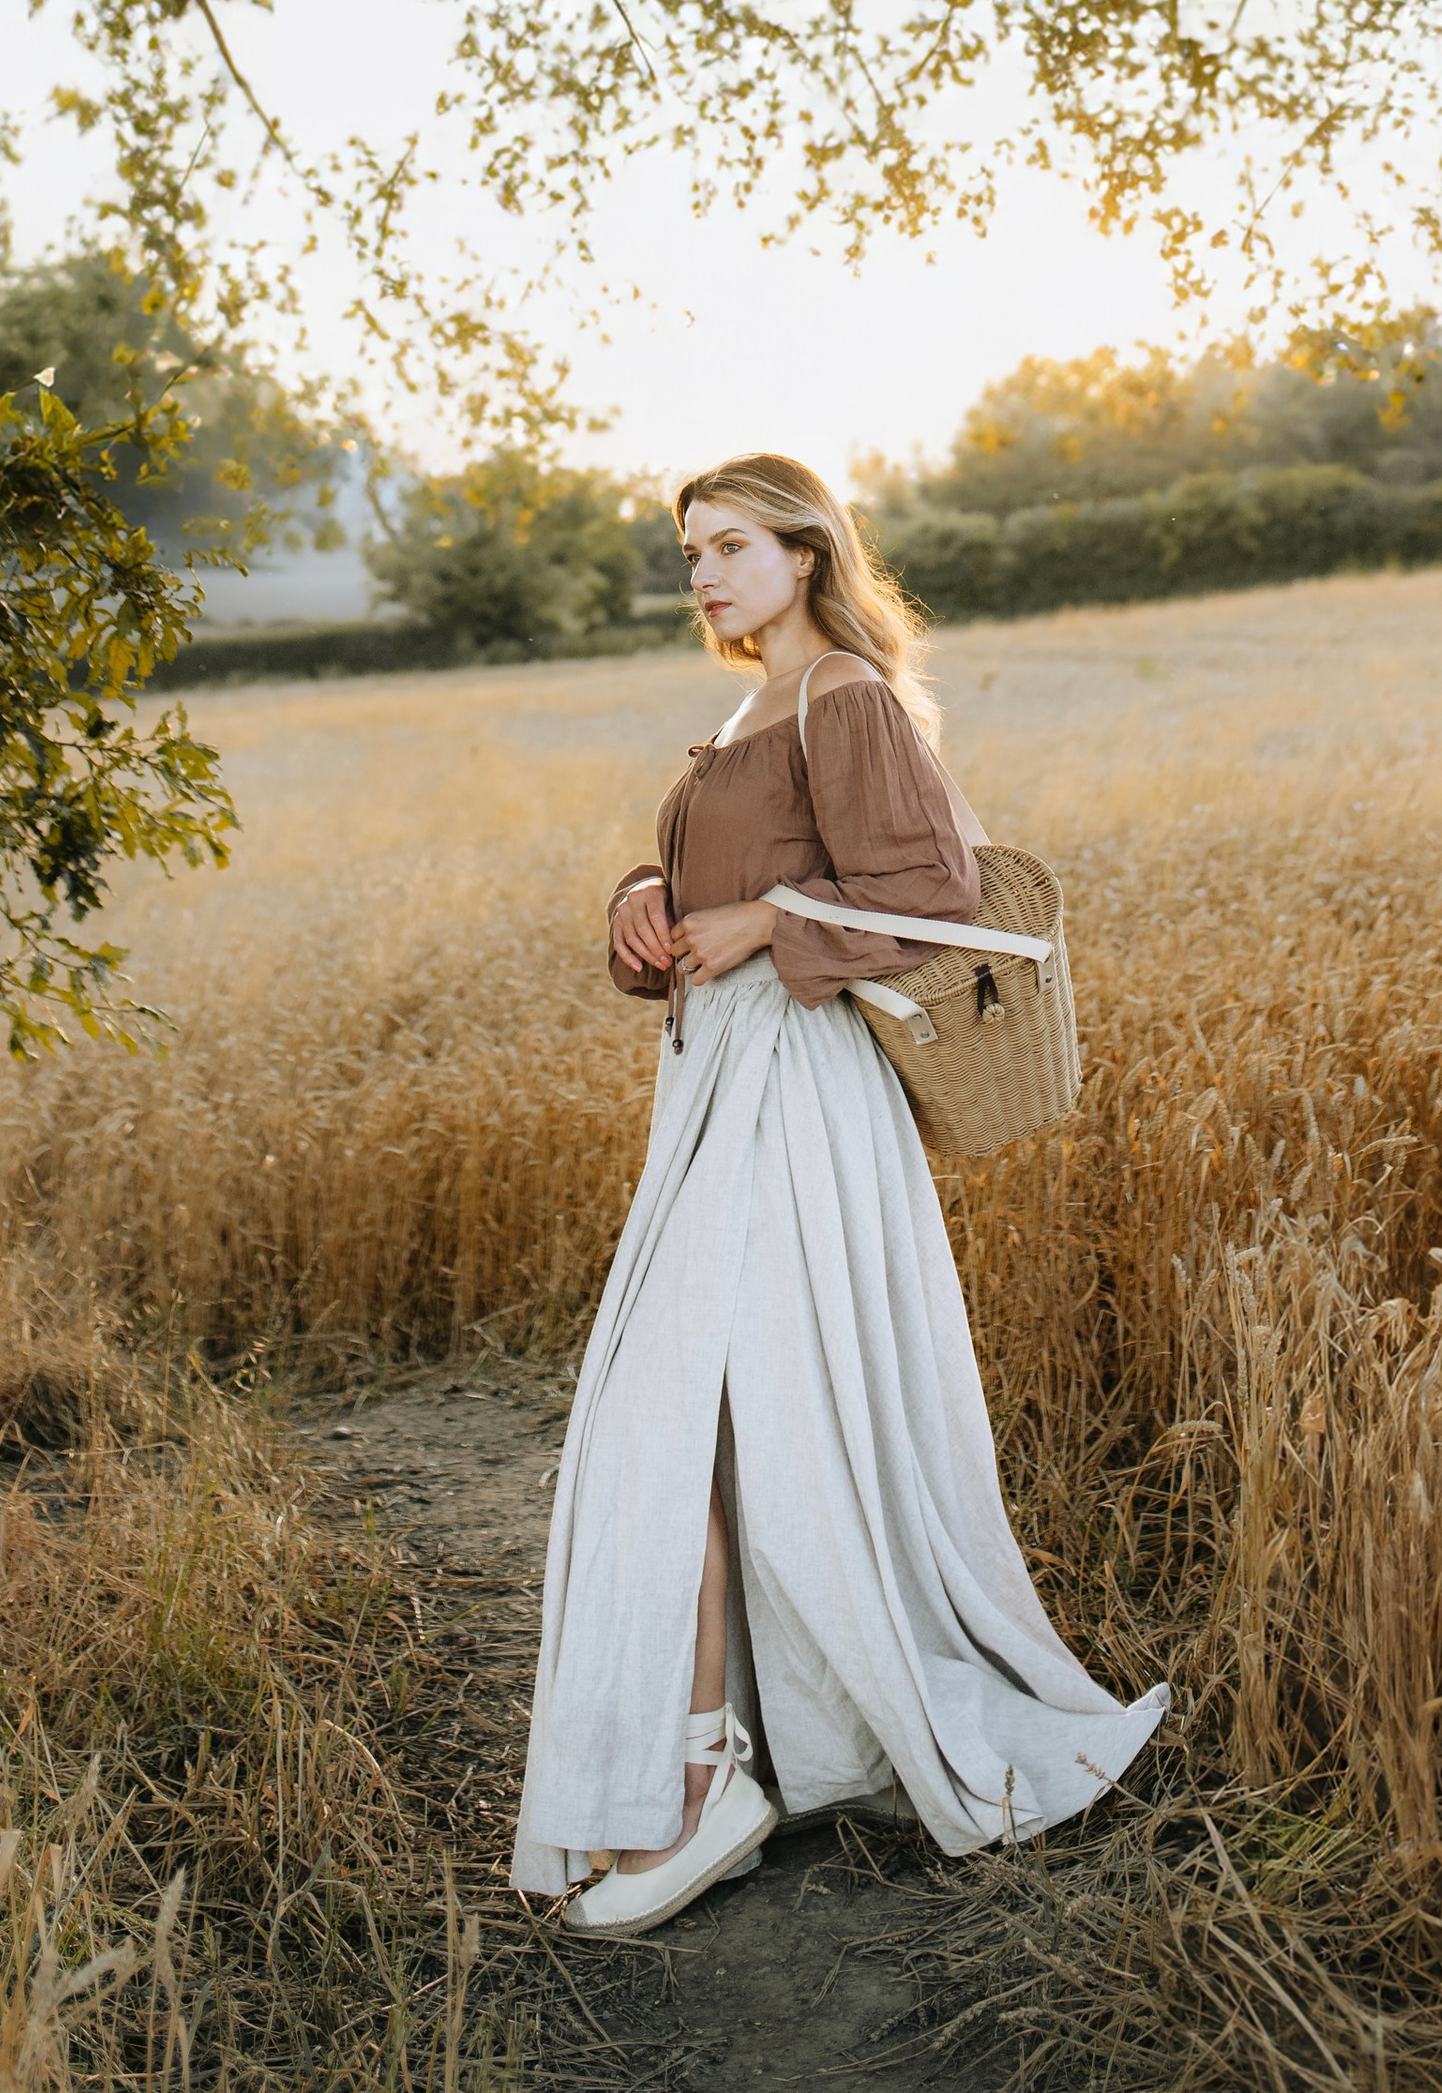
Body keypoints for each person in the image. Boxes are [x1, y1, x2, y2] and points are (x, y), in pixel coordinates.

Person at [512, 453, 1168, 1932]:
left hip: (800, 1097)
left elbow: (939, 893)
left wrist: (766, 921)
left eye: (732, 545)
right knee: (708, 1423)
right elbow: (746, 864)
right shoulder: (750, 707)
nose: (704, 574)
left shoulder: (845, 698)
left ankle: (695, 1789)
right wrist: (647, 886)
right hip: (721, 1086)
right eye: (690, 553)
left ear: (807, 554)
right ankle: (729, 1763)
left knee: (665, 1418)